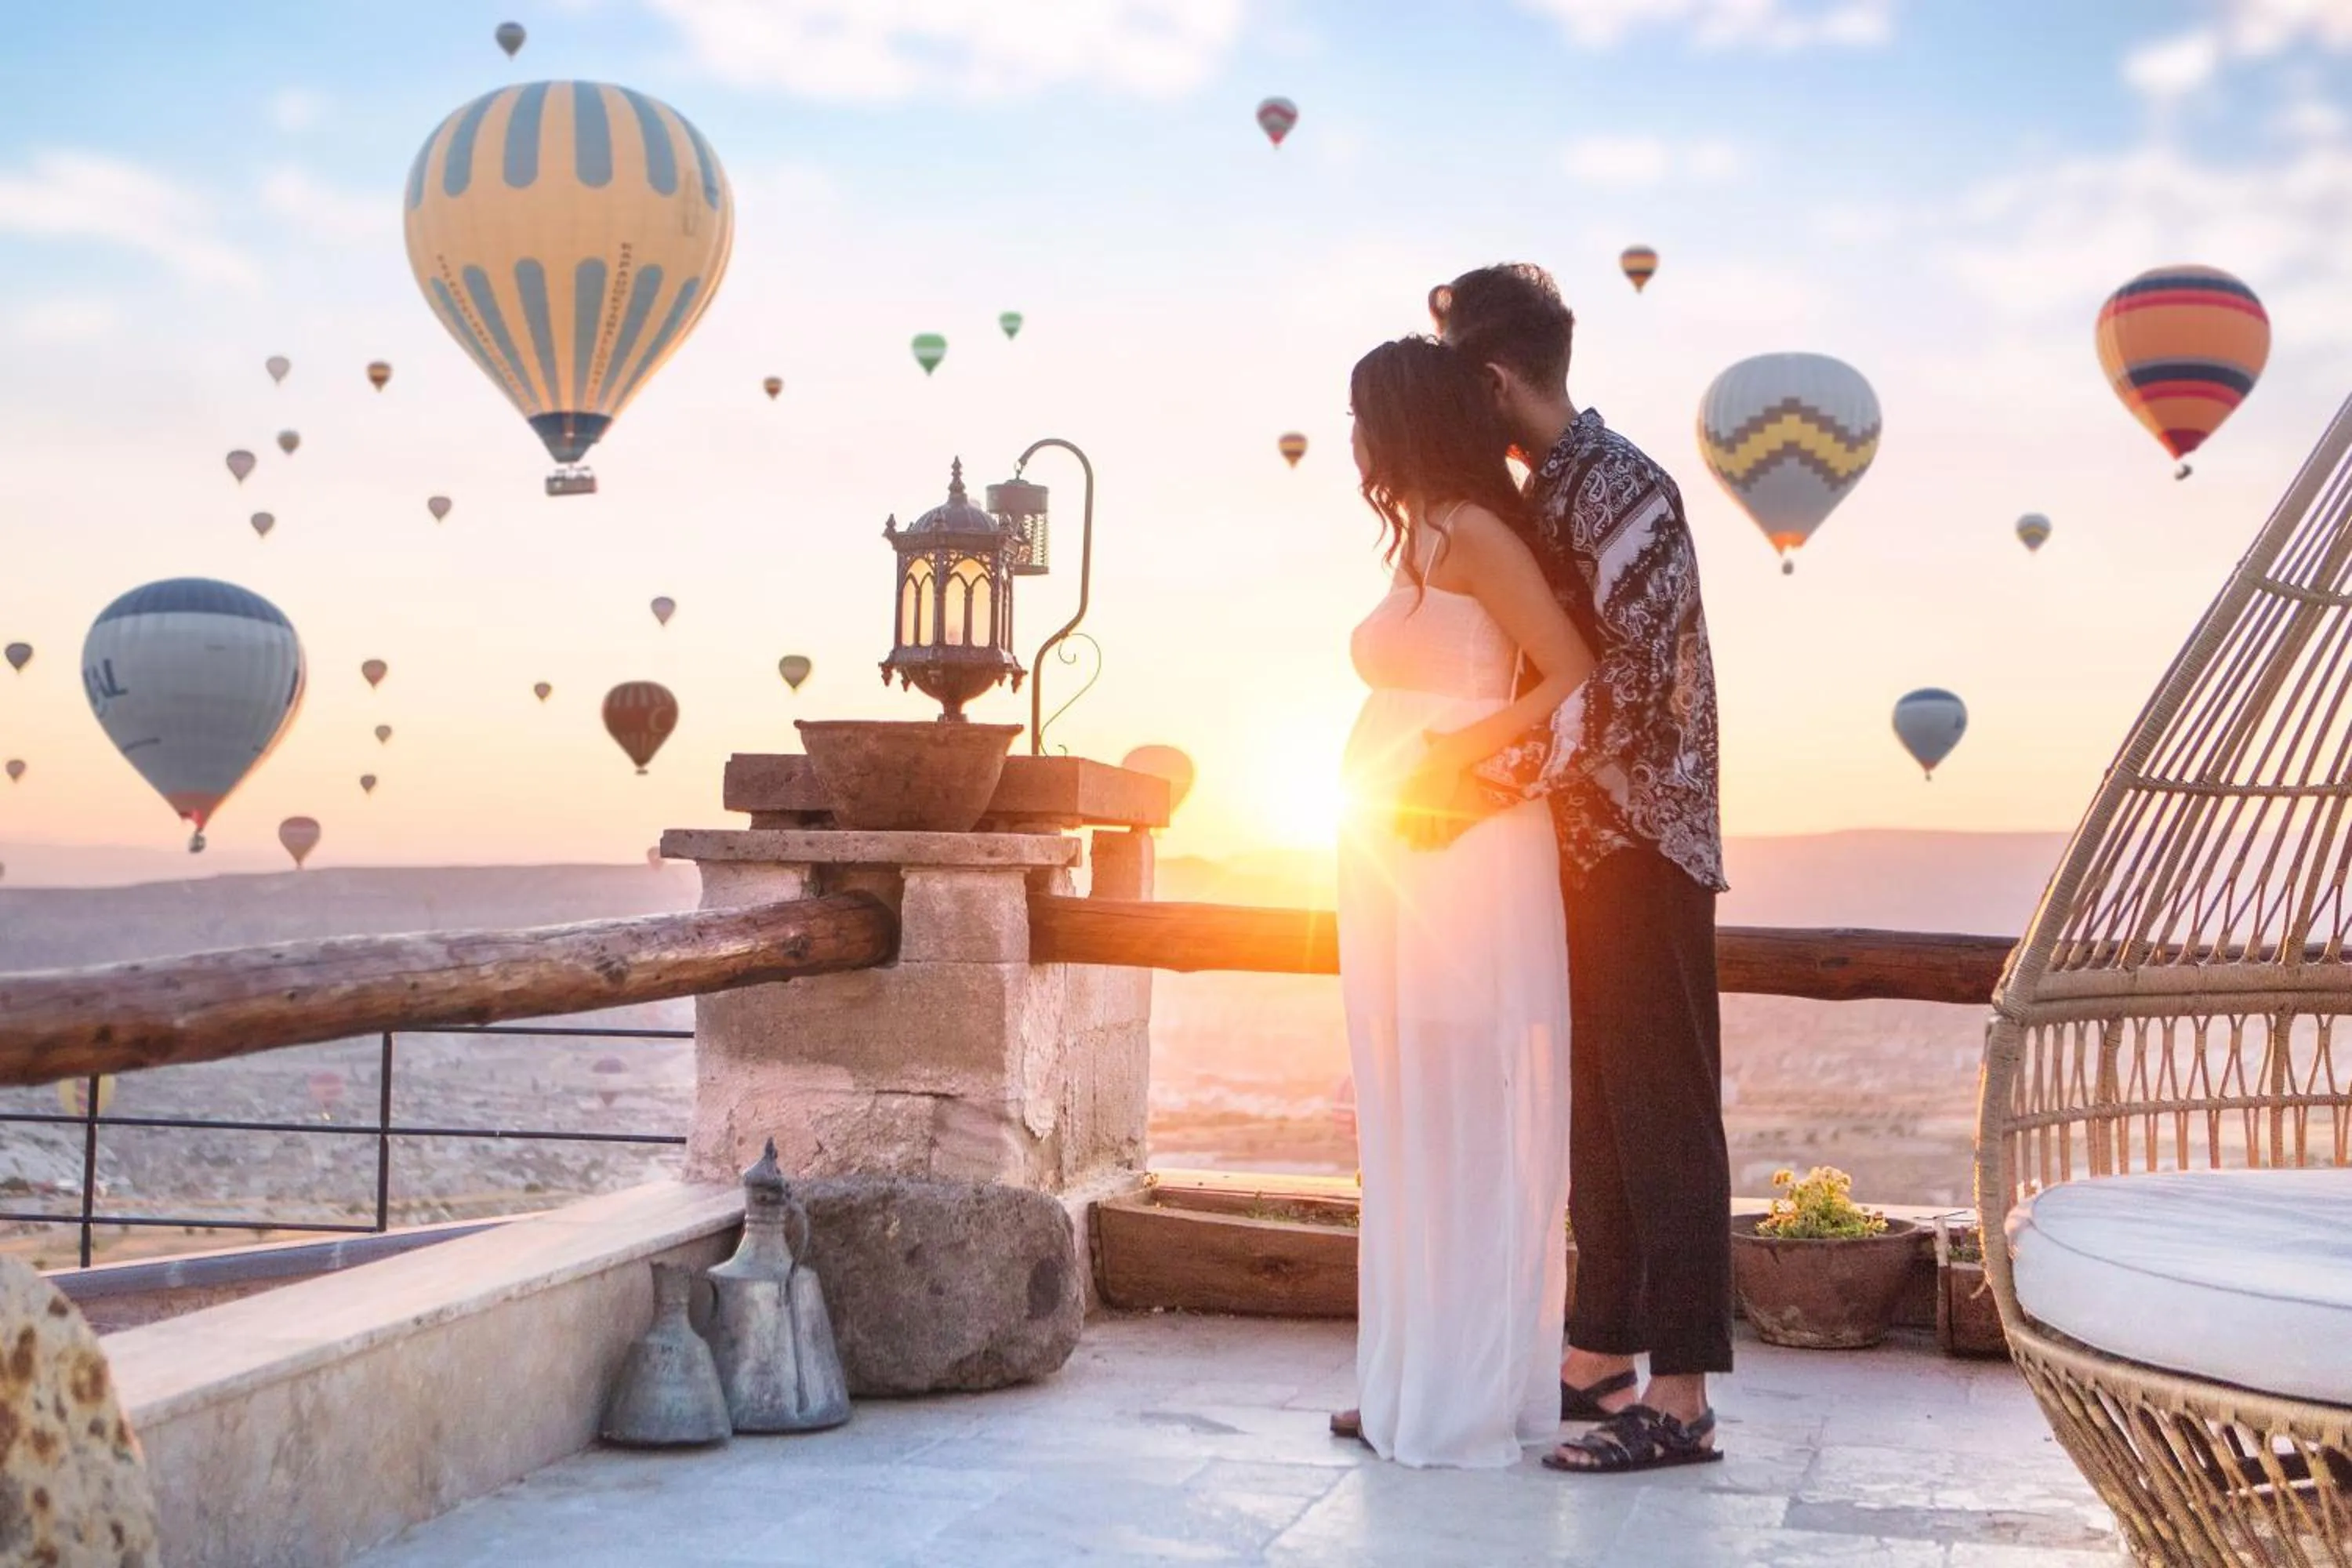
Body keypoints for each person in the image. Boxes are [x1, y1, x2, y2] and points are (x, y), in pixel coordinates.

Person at [1414, 263, 1733, 1475]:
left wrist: (1472, 785)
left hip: (1646, 842)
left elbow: (1630, 699)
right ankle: (1599, 1356)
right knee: (1595, 1109)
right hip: (1568, 843)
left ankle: (1688, 1395)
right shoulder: (1549, 493)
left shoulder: (1625, 492)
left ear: (1494, 379)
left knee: (1660, 1110)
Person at [1330, 336, 1595, 1468]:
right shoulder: (1420, 540)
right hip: (1397, 846)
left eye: (1362, 420)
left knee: (1465, 1109)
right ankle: (1412, 1373)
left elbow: (1568, 666)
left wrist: (1446, 758)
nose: (1351, 442)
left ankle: (1466, 1387)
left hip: (1468, 840)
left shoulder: (1479, 535)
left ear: (1397, 425)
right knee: (1409, 1103)